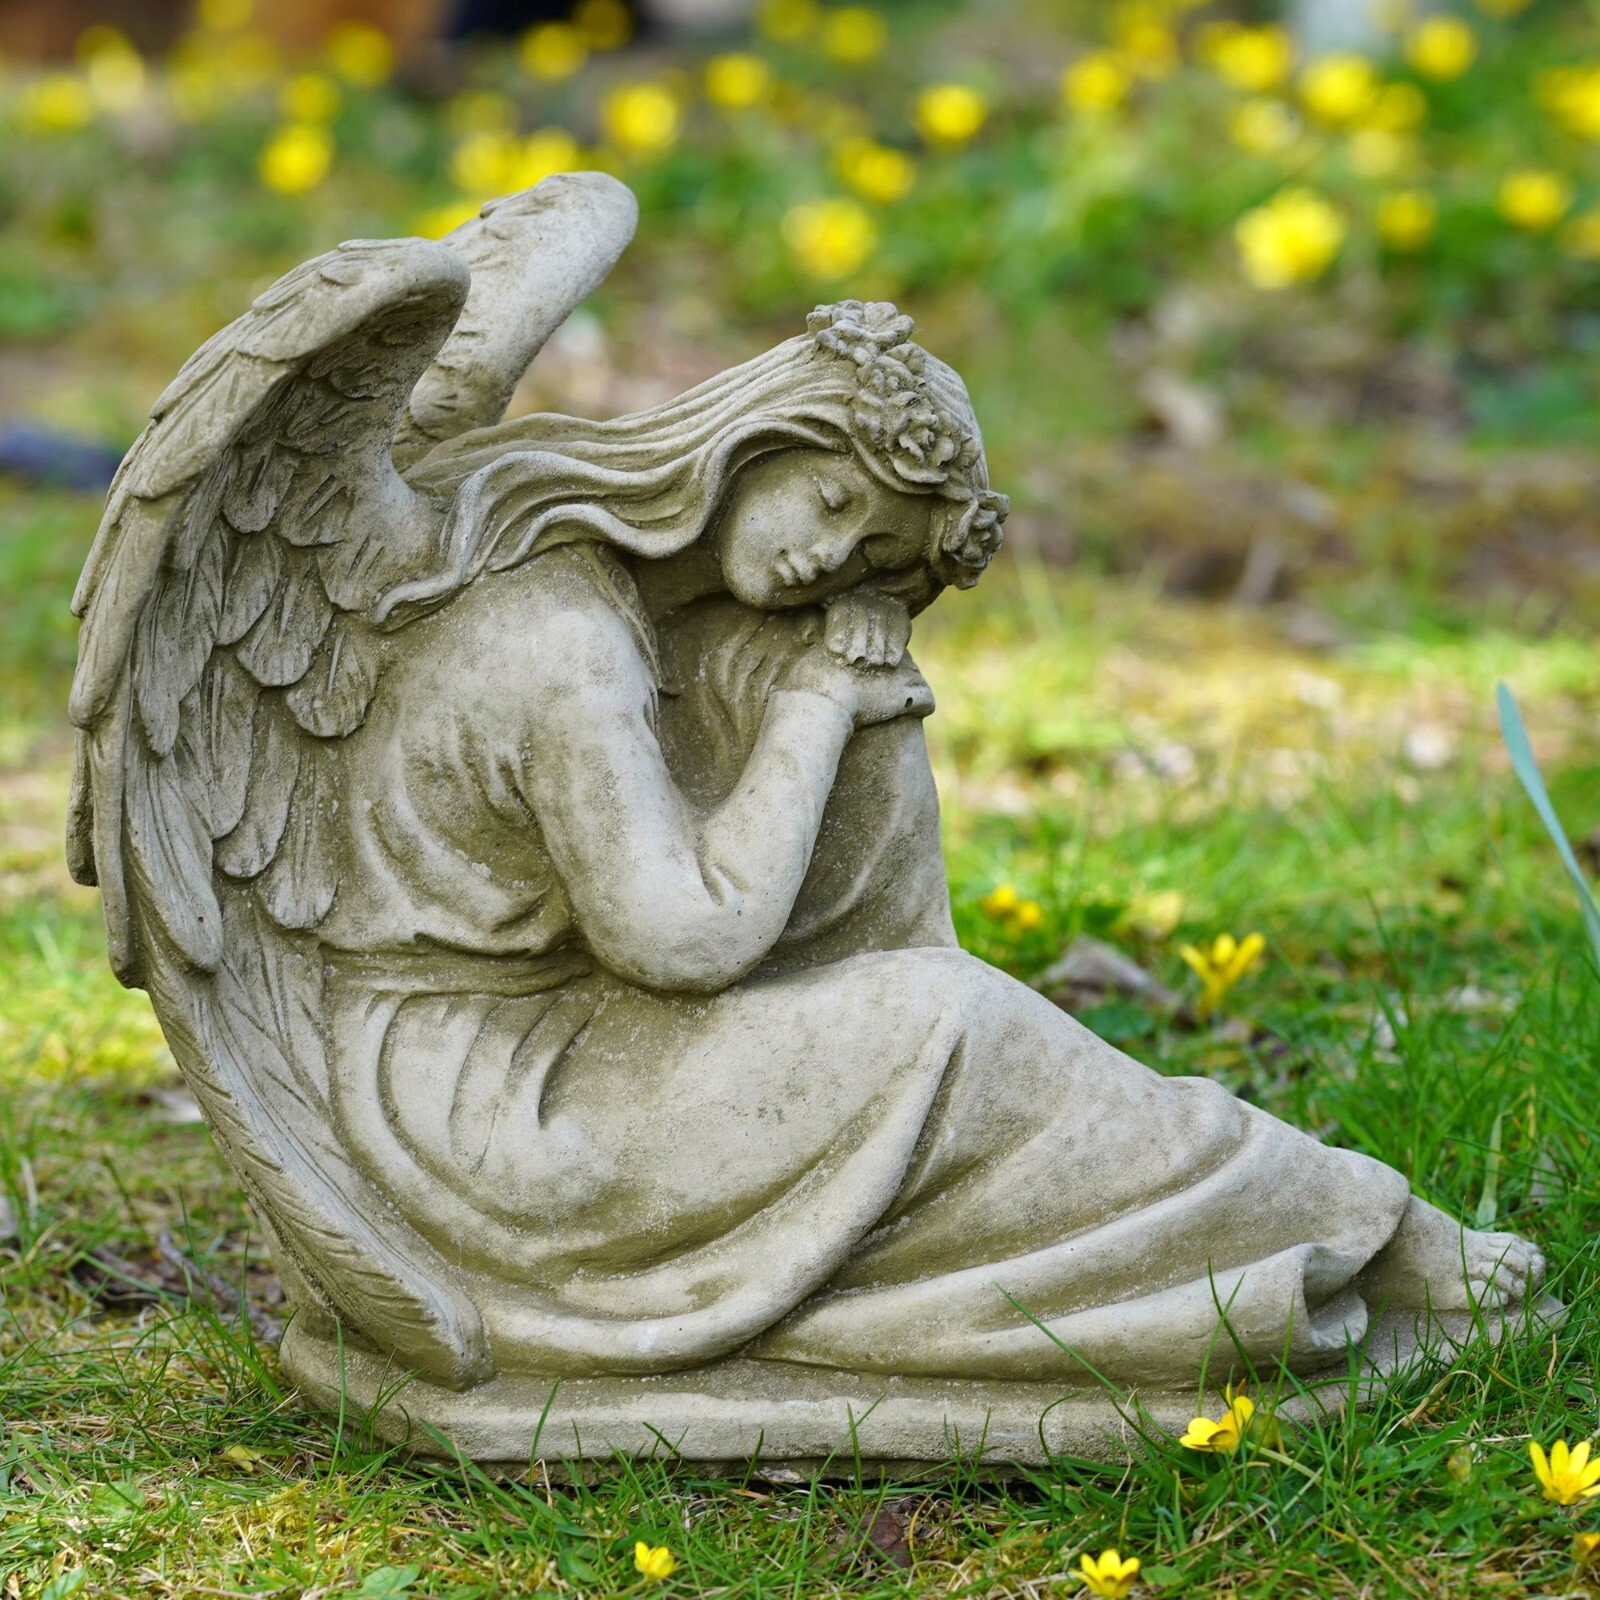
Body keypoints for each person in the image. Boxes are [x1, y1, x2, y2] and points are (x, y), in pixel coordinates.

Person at [307, 299, 1542, 1383]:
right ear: (760, 434)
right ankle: (1342, 1224)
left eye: (876, 555)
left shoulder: (649, 612)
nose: (829, 557)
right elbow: (683, 938)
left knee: (942, 1051)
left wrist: (848, 723)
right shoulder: (558, 640)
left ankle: (1267, 1234)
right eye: (835, 499)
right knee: (949, 1025)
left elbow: (835, 926)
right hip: (491, 1118)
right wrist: (807, 716)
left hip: (557, 1052)